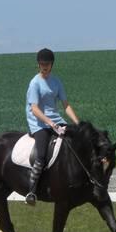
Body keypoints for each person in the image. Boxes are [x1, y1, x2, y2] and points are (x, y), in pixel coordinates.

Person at [24, 48, 80, 205]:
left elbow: (66, 105)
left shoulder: (56, 81)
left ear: (52, 64)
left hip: (56, 120)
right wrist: (49, 123)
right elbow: (34, 109)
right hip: (39, 123)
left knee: (74, 142)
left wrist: (78, 123)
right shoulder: (35, 83)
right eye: (42, 64)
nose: (44, 66)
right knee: (41, 154)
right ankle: (32, 191)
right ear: (38, 64)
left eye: (47, 64)